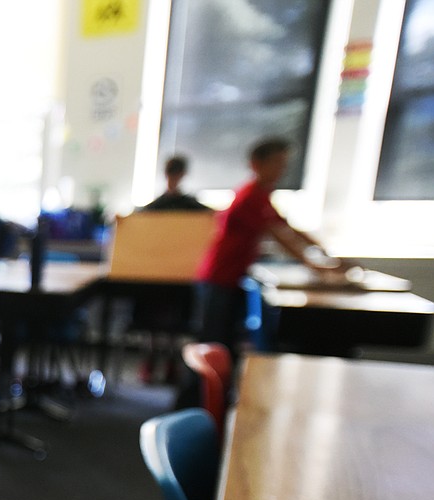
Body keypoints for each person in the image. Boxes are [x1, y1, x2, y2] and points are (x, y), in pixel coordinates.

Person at [193, 136, 338, 356]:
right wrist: (314, 264)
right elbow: (277, 234)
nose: (281, 169)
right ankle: (203, 391)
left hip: (233, 278)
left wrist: (324, 250)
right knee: (214, 344)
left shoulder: (262, 195)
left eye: (283, 163)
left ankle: (222, 389)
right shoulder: (249, 196)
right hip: (219, 278)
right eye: (276, 163)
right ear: (256, 164)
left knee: (227, 342)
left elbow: (286, 226)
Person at [137, 155, 212, 384]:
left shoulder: (191, 206)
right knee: (152, 322)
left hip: (180, 276)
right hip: (156, 274)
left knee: (175, 322)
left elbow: (211, 219)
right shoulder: (156, 205)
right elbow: (136, 223)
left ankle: (171, 362)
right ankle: (151, 360)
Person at [143, 155, 211, 212]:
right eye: (171, 173)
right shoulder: (154, 207)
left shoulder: (191, 205)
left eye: (176, 173)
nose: (173, 178)